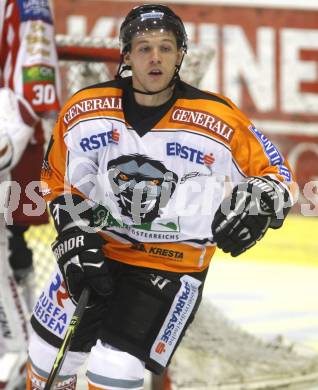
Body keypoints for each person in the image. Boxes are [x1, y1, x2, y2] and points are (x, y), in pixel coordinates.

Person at [27, 4, 294, 389]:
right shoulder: (86, 109)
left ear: (180, 55)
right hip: (100, 249)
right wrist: (71, 228)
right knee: (46, 353)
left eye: (166, 48)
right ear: (126, 55)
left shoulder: (217, 119)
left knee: (114, 368)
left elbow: (278, 174)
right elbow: (57, 178)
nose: (155, 58)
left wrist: (264, 199)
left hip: (172, 265)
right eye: (143, 47)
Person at [0, 0, 60, 388]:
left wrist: (13, 136)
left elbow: (34, 86)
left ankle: (18, 354)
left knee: (9, 241)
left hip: (12, 130)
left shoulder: (27, 3)